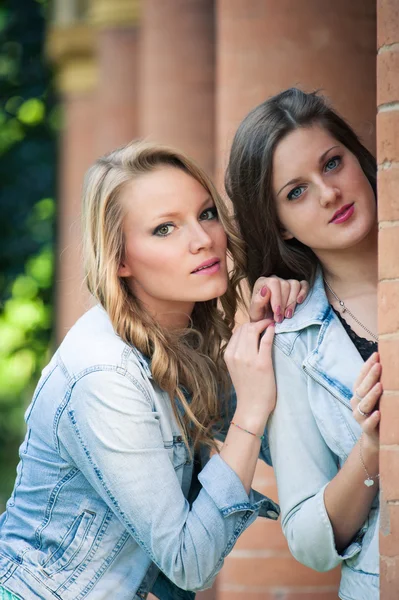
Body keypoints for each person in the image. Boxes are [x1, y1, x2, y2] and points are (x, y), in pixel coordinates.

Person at [0, 141, 307, 600]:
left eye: (205, 214)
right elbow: (190, 563)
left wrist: (276, 329)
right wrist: (251, 412)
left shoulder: (181, 340)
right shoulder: (104, 375)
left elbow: (285, 441)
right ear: (120, 260)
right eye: (164, 229)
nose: (203, 239)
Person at [225, 88, 381, 600]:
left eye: (332, 164)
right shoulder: (291, 346)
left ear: (358, 159)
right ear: (280, 227)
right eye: (296, 192)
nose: (329, 193)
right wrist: (373, 451)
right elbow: (309, 541)